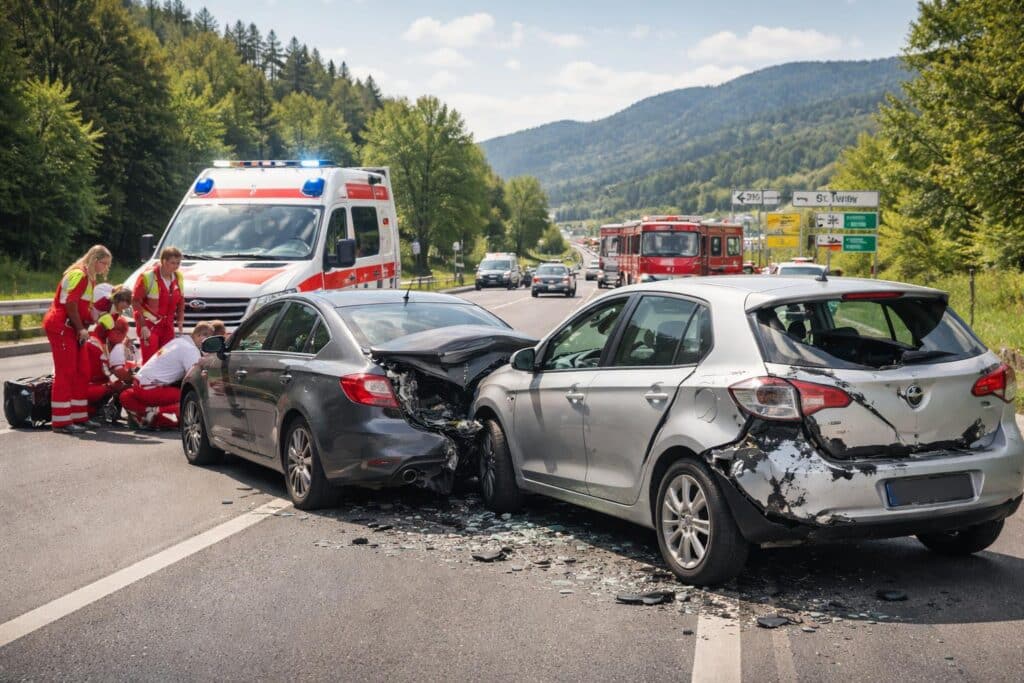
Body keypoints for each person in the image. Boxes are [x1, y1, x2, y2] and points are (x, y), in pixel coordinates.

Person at [42, 245, 112, 434]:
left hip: (72, 328)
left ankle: (79, 416)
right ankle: (61, 421)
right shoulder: (79, 275)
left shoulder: (89, 278)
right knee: (66, 372)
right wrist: (81, 328)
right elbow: (70, 304)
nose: (106, 268)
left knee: (82, 371)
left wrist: (93, 318)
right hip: (62, 327)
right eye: (105, 264)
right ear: (95, 261)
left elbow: (82, 307)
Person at [119, 321, 214, 429]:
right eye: (209, 339)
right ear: (200, 335)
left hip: (139, 384)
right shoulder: (191, 350)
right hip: (150, 389)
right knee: (191, 399)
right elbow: (195, 379)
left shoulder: (179, 341)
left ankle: (143, 413)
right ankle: (155, 415)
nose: (209, 343)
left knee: (125, 396)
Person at [133, 246, 185, 363]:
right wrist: (143, 326)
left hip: (168, 326)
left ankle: (162, 382)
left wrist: (180, 319)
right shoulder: (147, 277)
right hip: (150, 325)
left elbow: (181, 299)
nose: (176, 266)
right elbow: (136, 302)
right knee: (150, 361)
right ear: (163, 261)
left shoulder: (178, 276)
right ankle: (144, 381)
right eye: (173, 263)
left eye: (178, 263)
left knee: (166, 360)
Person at [81, 315, 132, 421]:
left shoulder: (95, 340)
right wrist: (131, 380)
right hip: (88, 388)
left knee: (117, 383)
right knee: (122, 386)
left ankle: (102, 410)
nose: (124, 338)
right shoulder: (97, 345)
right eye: (123, 334)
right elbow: (114, 373)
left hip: (85, 386)